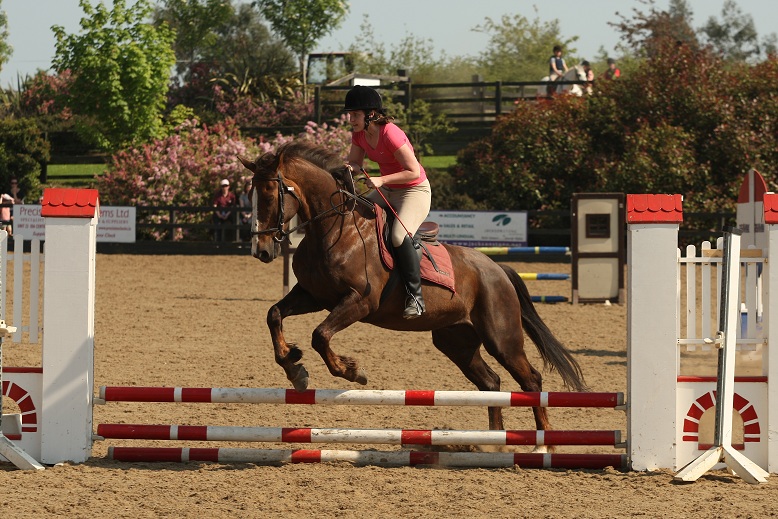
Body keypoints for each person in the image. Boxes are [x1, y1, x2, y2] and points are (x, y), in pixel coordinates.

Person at [344, 85, 431, 319]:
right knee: (352, 212)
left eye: (354, 114)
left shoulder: (390, 133)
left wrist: (381, 179)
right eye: (349, 114)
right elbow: (354, 163)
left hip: (414, 191)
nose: (350, 118)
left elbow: (413, 171)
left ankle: (416, 297)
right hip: (388, 189)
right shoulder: (359, 134)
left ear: (370, 114)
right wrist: (343, 169)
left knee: (397, 236)